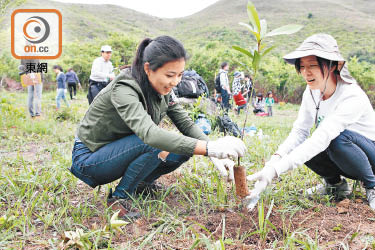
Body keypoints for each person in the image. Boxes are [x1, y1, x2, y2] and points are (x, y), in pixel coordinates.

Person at [70, 36, 247, 218]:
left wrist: (212, 149)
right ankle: (119, 199)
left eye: (180, 75)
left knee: (185, 148)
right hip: (91, 159)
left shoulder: (162, 90)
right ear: (148, 68)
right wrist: (209, 149)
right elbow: (150, 135)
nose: (175, 82)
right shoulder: (125, 87)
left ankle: (141, 183)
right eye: (170, 75)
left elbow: (185, 122)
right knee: (156, 142)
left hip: (120, 151)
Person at [246, 34, 375, 214]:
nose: (306, 72)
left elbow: (324, 136)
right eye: (302, 66)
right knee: (306, 142)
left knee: (335, 138)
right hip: (346, 157)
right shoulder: (311, 92)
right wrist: (273, 163)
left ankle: (374, 188)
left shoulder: (351, 95)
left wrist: (276, 171)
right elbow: (300, 131)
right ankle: (335, 185)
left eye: (313, 66)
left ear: (335, 66)